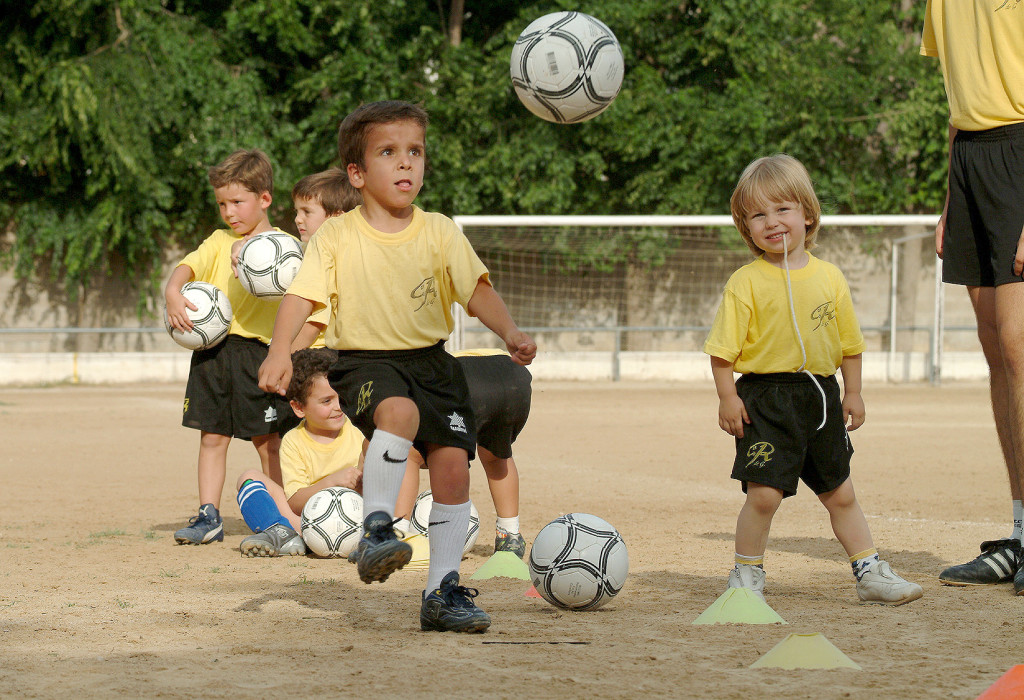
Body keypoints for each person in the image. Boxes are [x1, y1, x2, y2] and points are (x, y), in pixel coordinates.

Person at [258, 100, 536, 633]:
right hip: (364, 362)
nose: (406, 163)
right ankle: (378, 528)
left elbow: (476, 291)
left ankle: (443, 593)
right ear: (357, 174)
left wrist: (511, 333)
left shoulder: (440, 230)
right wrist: (278, 349)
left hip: (435, 363)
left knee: (454, 470)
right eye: (389, 152)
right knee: (399, 415)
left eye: (415, 151)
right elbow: (300, 297)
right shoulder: (337, 236)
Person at [703, 154, 923, 606]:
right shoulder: (744, 282)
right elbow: (722, 353)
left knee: (841, 493)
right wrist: (728, 398)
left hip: (822, 397)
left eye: (782, 209)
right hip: (766, 400)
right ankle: (745, 579)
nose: (772, 222)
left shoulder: (830, 278)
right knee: (764, 496)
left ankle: (869, 571)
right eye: (758, 215)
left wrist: (854, 391)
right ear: (746, 228)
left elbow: (850, 345)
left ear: (807, 213)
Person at [921, 1, 1024, 593]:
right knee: (996, 351)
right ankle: (1018, 532)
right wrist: (948, 196)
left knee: (1018, 347)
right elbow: (959, 100)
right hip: (971, 159)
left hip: (1020, 154)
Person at [165, 148, 288, 545]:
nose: (229, 212)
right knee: (211, 436)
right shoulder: (217, 240)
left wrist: (252, 253)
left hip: (260, 353)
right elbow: (188, 267)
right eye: (222, 204)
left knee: (268, 440)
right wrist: (171, 289)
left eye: (237, 202)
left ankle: (284, 515)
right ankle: (208, 516)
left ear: (264, 198)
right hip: (213, 352)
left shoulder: (284, 248)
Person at [236, 348, 370, 557]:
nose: (338, 407)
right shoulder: (293, 441)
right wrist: (331, 482)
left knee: (374, 447)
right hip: (304, 523)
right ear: (299, 408)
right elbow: (295, 502)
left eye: (340, 397)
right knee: (248, 477)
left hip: (354, 522)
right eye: (327, 401)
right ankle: (279, 530)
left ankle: (370, 538)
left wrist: (362, 479)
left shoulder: (359, 430)